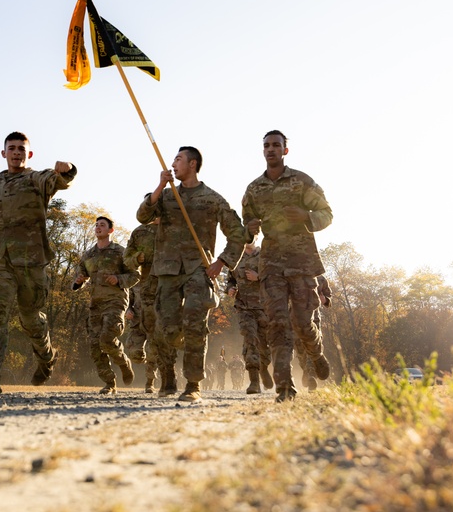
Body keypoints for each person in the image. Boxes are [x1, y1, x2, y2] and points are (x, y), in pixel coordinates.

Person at [0, 131, 76, 395]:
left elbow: (59, 181)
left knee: (30, 319)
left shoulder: (36, 178)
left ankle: (47, 357)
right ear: (3, 153)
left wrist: (67, 170)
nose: (16, 153)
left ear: (28, 154)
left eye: (21, 149)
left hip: (30, 261)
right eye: (11, 148)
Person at [136, 146, 248, 403]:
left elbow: (237, 234)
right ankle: (168, 377)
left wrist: (222, 261)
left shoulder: (212, 199)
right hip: (166, 270)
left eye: (178, 159)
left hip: (198, 269)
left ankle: (193, 383)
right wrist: (160, 185)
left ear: (193, 164)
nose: (173, 163)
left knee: (196, 324)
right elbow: (143, 216)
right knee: (166, 328)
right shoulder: (165, 196)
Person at [242, 130, 333, 402]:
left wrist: (307, 216)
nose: (271, 149)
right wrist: (250, 229)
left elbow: (327, 214)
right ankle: (285, 387)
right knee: (278, 324)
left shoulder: (302, 181)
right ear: (263, 151)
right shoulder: (254, 189)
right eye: (267, 146)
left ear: (285, 150)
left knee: (303, 323)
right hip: (270, 263)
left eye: (276, 145)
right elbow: (245, 229)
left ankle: (316, 354)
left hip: (302, 261)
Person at [73, 216, 140, 394]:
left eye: (102, 225)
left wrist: (118, 279)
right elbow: (81, 275)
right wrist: (79, 280)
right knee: (95, 346)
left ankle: (123, 363)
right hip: (96, 304)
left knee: (107, 339)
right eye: (96, 225)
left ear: (110, 230)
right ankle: (109, 383)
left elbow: (135, 275)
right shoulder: (88, 255)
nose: (98, 227)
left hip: (115, 302)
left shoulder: (120, 252)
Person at [225, 241, 275, 394]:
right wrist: (230, 289)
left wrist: (259, 277)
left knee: (264, 345)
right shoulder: (236, 257)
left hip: (264, 307)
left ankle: (264, 367)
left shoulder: (265, 255)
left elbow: (276, 279)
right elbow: (230, 279)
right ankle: (254, 381)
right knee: (249, 339)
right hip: (244, 307)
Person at [124, 218, 163, 393]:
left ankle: (150, 382)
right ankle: (143, 362)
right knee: (134, 353)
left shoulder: (161, 283)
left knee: (153, 349)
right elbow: (128, 298)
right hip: (136, 322)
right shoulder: (137, 281)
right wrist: (128, 309)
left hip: (154, 320)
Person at [296, 274, 332, 391]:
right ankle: (306, 370)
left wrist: (325, 300)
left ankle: (312, 376)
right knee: (300, 349)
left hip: (313, 319)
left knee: (313, 346)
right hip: (295, 318)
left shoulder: (320, 278)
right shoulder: (291, 274)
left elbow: (328, 297)